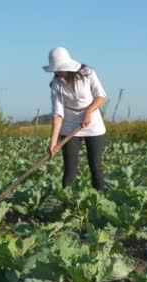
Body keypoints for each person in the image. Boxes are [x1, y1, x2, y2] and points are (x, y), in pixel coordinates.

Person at [43, 47, 107, 191]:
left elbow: (101, 96)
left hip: (92, 122)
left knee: (95, 165)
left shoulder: (88, 74)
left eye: (61, 69)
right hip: (70, 124)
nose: (58, 72)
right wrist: (54, 141)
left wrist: (89, 112)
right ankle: (66, 202)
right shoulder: (56, 85)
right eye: (56, 70)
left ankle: (101, 199)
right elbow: (58, 114)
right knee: (69, 168)